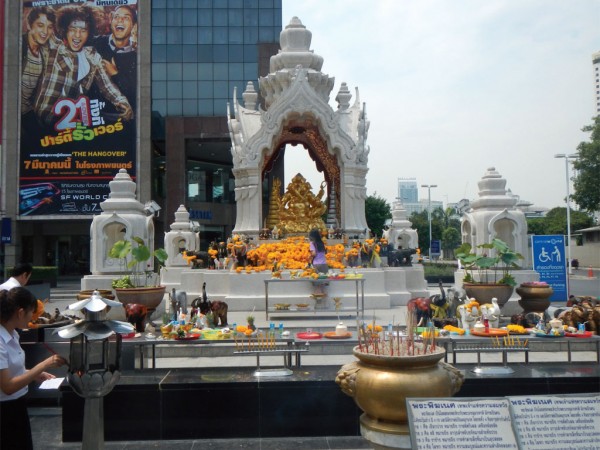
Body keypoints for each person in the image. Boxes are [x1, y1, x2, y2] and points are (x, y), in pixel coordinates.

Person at [33, 3, 133, 128]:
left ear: (89, 32)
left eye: (83, 30)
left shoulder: (92, 56)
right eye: (73, 29)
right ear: (65, 30)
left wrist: (122, 101)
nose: (77, 35)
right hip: (41, 125)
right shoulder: (53, 48)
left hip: (67, 129)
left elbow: (107, 86)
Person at [0, 287, 67, 449]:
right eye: (31, 313)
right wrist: (42, 365)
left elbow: (13, 370)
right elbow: (7, 386)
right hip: (4, 411)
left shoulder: (12, 334)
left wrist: (33, 373)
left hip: (17, 406)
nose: (33, 317)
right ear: (20, 312)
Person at [89, 5, 137, 111]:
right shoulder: (94, 43)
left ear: (133, 26)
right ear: (111, 21)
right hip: (91, 116)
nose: (120, 20)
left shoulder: (137, 58)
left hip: (119, 121)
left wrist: (115, 74)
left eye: (126, 18)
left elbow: (136, 97)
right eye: (116, 17)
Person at [21, 7, 56, 118]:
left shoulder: (44, 54)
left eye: (49, 27)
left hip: (27, 111)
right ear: (29, 25)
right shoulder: (19, 47)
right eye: (40, 25)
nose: (45, 32)